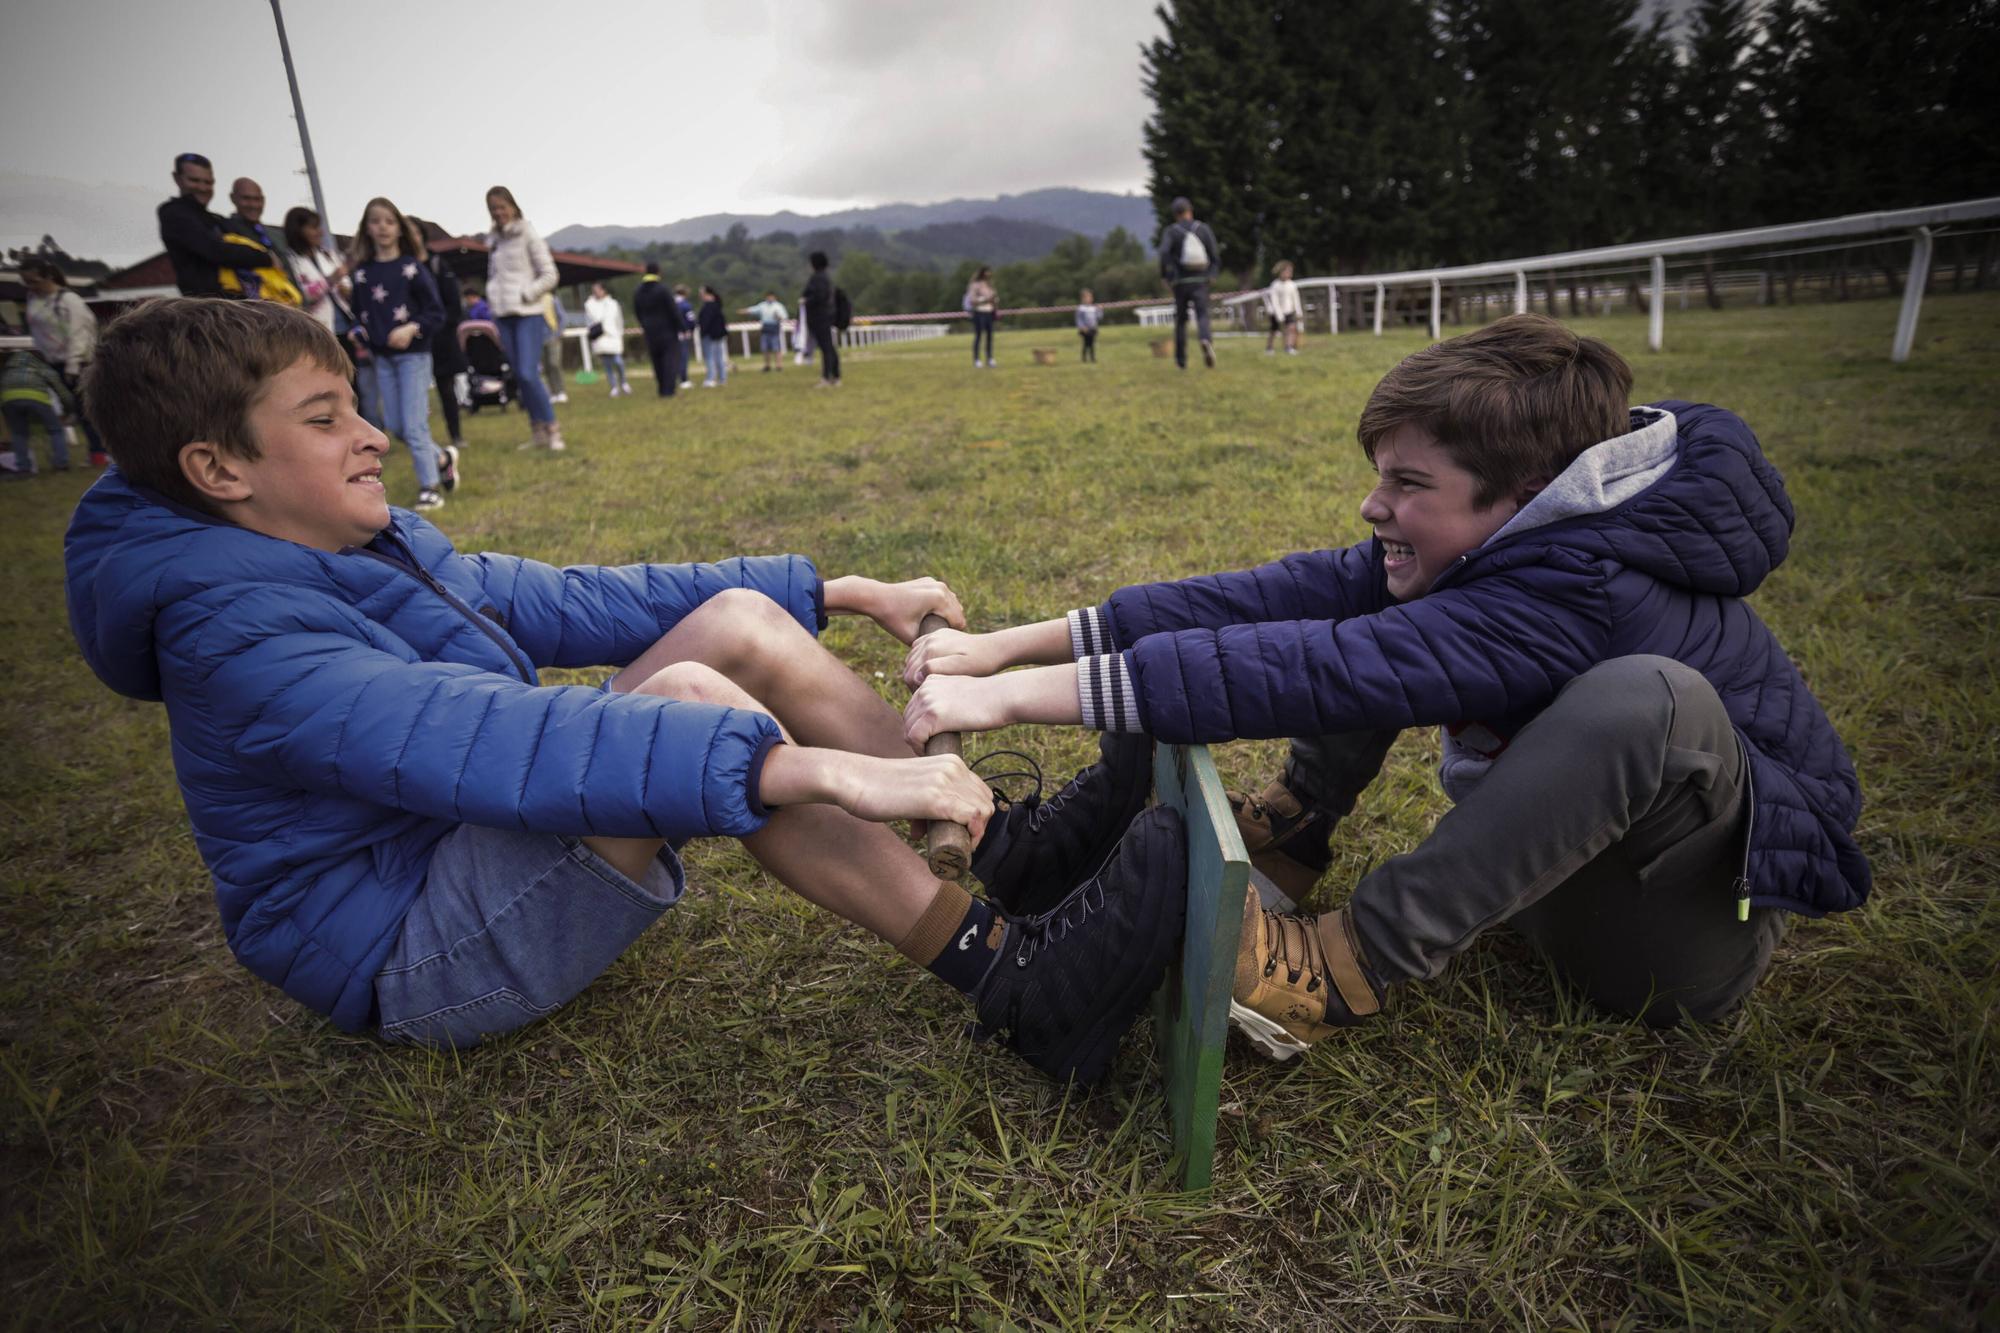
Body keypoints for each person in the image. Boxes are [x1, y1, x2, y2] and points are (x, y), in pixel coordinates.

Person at [62, 296, 1187, 1087]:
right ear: (220, 470)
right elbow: (480, 737)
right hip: (413, 951)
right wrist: (810, 764)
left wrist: (838, 589)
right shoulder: (228, 628)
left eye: (356, 406)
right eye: (324, 421)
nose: (371, 437)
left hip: (466, 842)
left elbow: (584, 601)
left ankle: (1011, 853)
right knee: (693, 701)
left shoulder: (359, 541)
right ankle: (1018, 983)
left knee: (733, 631)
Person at [901, 313, 1871, 1059]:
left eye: (1408, 483)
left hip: (1668, 956)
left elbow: (1309, 670)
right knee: (1379, 604)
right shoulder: (1514, 538)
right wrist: (996, 650)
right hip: (1556, 877)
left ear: (1524, 498)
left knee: (1648, 699)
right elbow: (1265, 603)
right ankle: (1292, 829)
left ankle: (1332, 969)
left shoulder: (1579, 584)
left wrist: (1001, 702)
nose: (1374, 503)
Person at [347, 196, 456, 511]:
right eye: (375, 221)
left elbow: (436, 312)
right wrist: (360, 333)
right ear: (366, 228)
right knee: (395, 425)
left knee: (414, 424)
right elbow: (357, 315)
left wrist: (411, 328)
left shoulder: (412, 268)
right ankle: (442, 457)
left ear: (399, 228)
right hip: (382, 358)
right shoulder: (362, 275)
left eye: (389, 221)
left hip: (415, 356)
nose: (382, 227)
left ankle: (430, 486)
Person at [483, 185, 565, 451]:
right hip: (503, 315)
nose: (498, 213)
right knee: (519, 375)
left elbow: (550, 274)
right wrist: (494, 300)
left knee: (530, 373)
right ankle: (537, 430)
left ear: (513, 206)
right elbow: (494, 276)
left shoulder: (528, 234)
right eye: (493, 209)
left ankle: (553, 429)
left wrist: (528, 293)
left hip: (528, 313)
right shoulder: (494, 241)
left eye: (502, 207)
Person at [21, 258, 107, 466]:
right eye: (26, 282)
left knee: (87, 410)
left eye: (34, 281)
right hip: (51, 362)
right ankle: (90, 452)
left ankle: (100, 453)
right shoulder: (33, 299)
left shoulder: (69, 300)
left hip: (77, 363)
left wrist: (73, 364)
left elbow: (80, 333)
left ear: (49, 277)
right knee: (74, 411)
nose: (31, 286)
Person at [157, 152, 275, 297]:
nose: (202, 187)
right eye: (194, 180)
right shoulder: (174, 213)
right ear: (177, 179)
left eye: (208, 182)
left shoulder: (214, 219)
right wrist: (266, 258)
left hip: (239, 302)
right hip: (210, 308)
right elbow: (215, 250)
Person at [407, 217, 469, 453]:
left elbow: (454, 304)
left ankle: (456, 434)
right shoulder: (400, 266)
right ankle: (421, 440)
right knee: (416, 394)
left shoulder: (437, 264)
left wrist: (438, 326)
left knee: (446, 388)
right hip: (412, 340)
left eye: (413, 232)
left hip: (440, 338)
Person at [1157, 196, 1219, 370]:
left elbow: (1163, 253)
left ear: (1175, 214)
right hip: (1201, 280)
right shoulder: (1203, 229)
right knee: (1202, 315)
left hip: (1180, 282)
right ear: (1190, 211)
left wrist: (1166, 276)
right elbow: (1214, 255)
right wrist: (1211, 274)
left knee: (1181, 321)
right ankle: (1205, 339)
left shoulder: (1171, 231)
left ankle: (1181, 361)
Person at [219, 177, 301, 305]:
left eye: (257, 199)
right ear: (233, 198)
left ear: (263, 200)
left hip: (293, 305)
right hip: (259, 309)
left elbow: (291, 273)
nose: (253, 205)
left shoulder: (277, 235)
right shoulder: (226, 231)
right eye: (246, 199)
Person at [1, 348, 76, 476]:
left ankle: (23, 468)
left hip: (8, 399)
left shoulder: (9, 369)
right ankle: (61, 465)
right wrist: (69, 409)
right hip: (37, 398)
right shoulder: (41, 366)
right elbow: (61, 391)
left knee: (18, 434)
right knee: (56, 429)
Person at [282, 207, 351, 331]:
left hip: (348, 325)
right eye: (314, 227)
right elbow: (300, 296)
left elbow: (346, 283)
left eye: (319, 227)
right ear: (298, 231)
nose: (320, 232)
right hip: (319, 331)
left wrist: (347, 291)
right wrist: (330, 280)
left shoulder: (328, 255)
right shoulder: (289, 262)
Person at [633, 262, 684, 397]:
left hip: (650, 331)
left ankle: (661, 389)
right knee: (670, 360)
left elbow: (637, 311)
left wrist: (644, 324)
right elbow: (673, 310)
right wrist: (682, 327)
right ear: (658, 272)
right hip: (667, 331)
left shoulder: (638, 291)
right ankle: (669, 390)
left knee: (657, 361)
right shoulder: (663, 289)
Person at [802, 252, 840, 388]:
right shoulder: (826, 277)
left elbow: (819, 296)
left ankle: (827, 377)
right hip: (825, 316)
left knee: (826, 348)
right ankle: (835, 376)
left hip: (820, 317)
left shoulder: (818, 278)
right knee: (829, 347)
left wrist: (806, 301)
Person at [585, 282, 629, 396]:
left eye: (598, 290)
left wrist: (620, 332)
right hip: (600, 337)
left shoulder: (612, 304)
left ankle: (624, 382)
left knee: (618, 361)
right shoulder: (590, 305)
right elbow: (590, 322)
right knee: (607, 364)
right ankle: (614, 386)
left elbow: (619, 320)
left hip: (613, 336)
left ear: (603, 290)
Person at [743, 291, 787, 372]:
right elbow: (753, 309)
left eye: (771, 297)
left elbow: (784, 317)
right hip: (765, 328)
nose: (770, 298)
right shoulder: (762, 305)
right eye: (768, 297)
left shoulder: (778, 306)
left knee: (776, 348)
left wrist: (778, 317)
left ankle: (779, 366)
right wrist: (744, 311)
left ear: (775, 297)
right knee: (765, 348)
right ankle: (767, 366)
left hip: (774, 327)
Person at [1265, 260, 1303, 356]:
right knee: (1274, 330)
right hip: (1276, 313)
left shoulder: (1292, 285)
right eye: (1287, 271)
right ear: (1281, 272)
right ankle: (1269, 348)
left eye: (1290, 271)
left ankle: (1288, 347)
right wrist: (1279, 315)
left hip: (1288, 311)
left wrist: (1298, 312)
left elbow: (1296, 299)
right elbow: (1275, 301)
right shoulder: (1275, 285)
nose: (1289, 273)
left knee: (1291, 328)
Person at [697, 285, 729, 387]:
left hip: (709, 335)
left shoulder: (708, 307)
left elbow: (705, 322)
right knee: (719, 357)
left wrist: (703, 332)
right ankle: (722, 378)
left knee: (709, 357)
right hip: (718, 335)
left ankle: (711, 378)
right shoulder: (717, 305)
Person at [966, 267, 998, 368]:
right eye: (987, 272)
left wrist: (994, 303)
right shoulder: (975, 285)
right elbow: (972, 301)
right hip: (979, 313)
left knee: (989, 337)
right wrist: (985, 300)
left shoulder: (990, 285)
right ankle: (977, 359)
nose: (988, 275)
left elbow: (994, 298)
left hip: (989, 312)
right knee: (978, 336)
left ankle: (990, 358)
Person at [673, 285, 696, 389]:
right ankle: (684, 380)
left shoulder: (671, 304)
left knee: (674, 358)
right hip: (683, 334)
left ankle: (674, 378)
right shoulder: (686, 305)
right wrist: (691, 329)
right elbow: (691, 320)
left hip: (671, 334)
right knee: (683, 357)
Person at [1075, 289, 1102, 363]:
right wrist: (1082, 327)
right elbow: (1079, 319)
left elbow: (1099, 317)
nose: (1089, 299)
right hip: (1085, 329)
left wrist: (1100, 310)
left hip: (1093, 328)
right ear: (1082, 299)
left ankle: (1092, 358)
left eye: (1090, 297)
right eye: (1087, 298)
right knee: (1086, 344)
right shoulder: (1081, 308)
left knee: (1092, 344)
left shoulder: (1094, 308)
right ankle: (1084, 358)